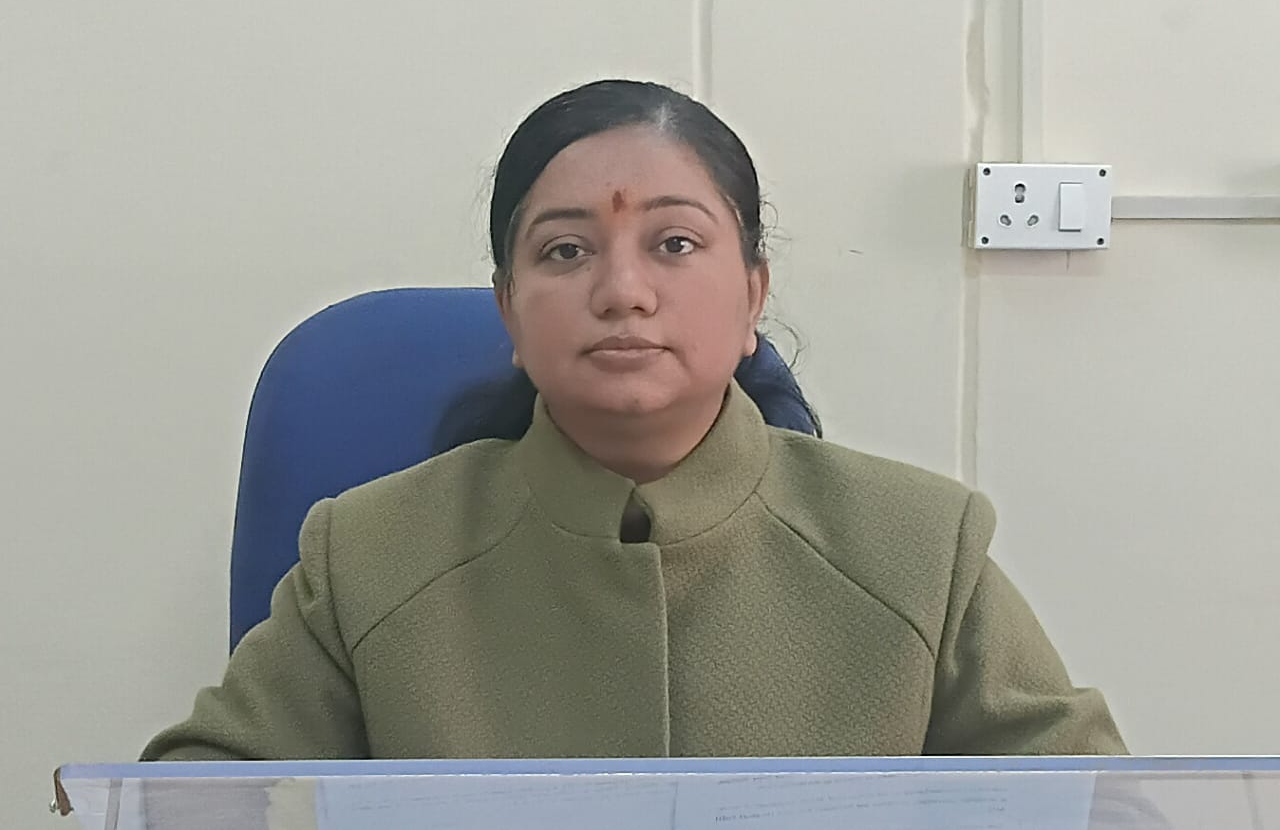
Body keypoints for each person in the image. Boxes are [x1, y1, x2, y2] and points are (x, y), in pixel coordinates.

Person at [143, 79, 1125, 760]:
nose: (622, 290)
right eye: (565, 252)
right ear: (508, 312)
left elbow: (1093, 803)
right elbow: (208, 790)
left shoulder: (917, 548)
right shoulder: (369, 555)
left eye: (673, 243)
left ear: (753, 294)